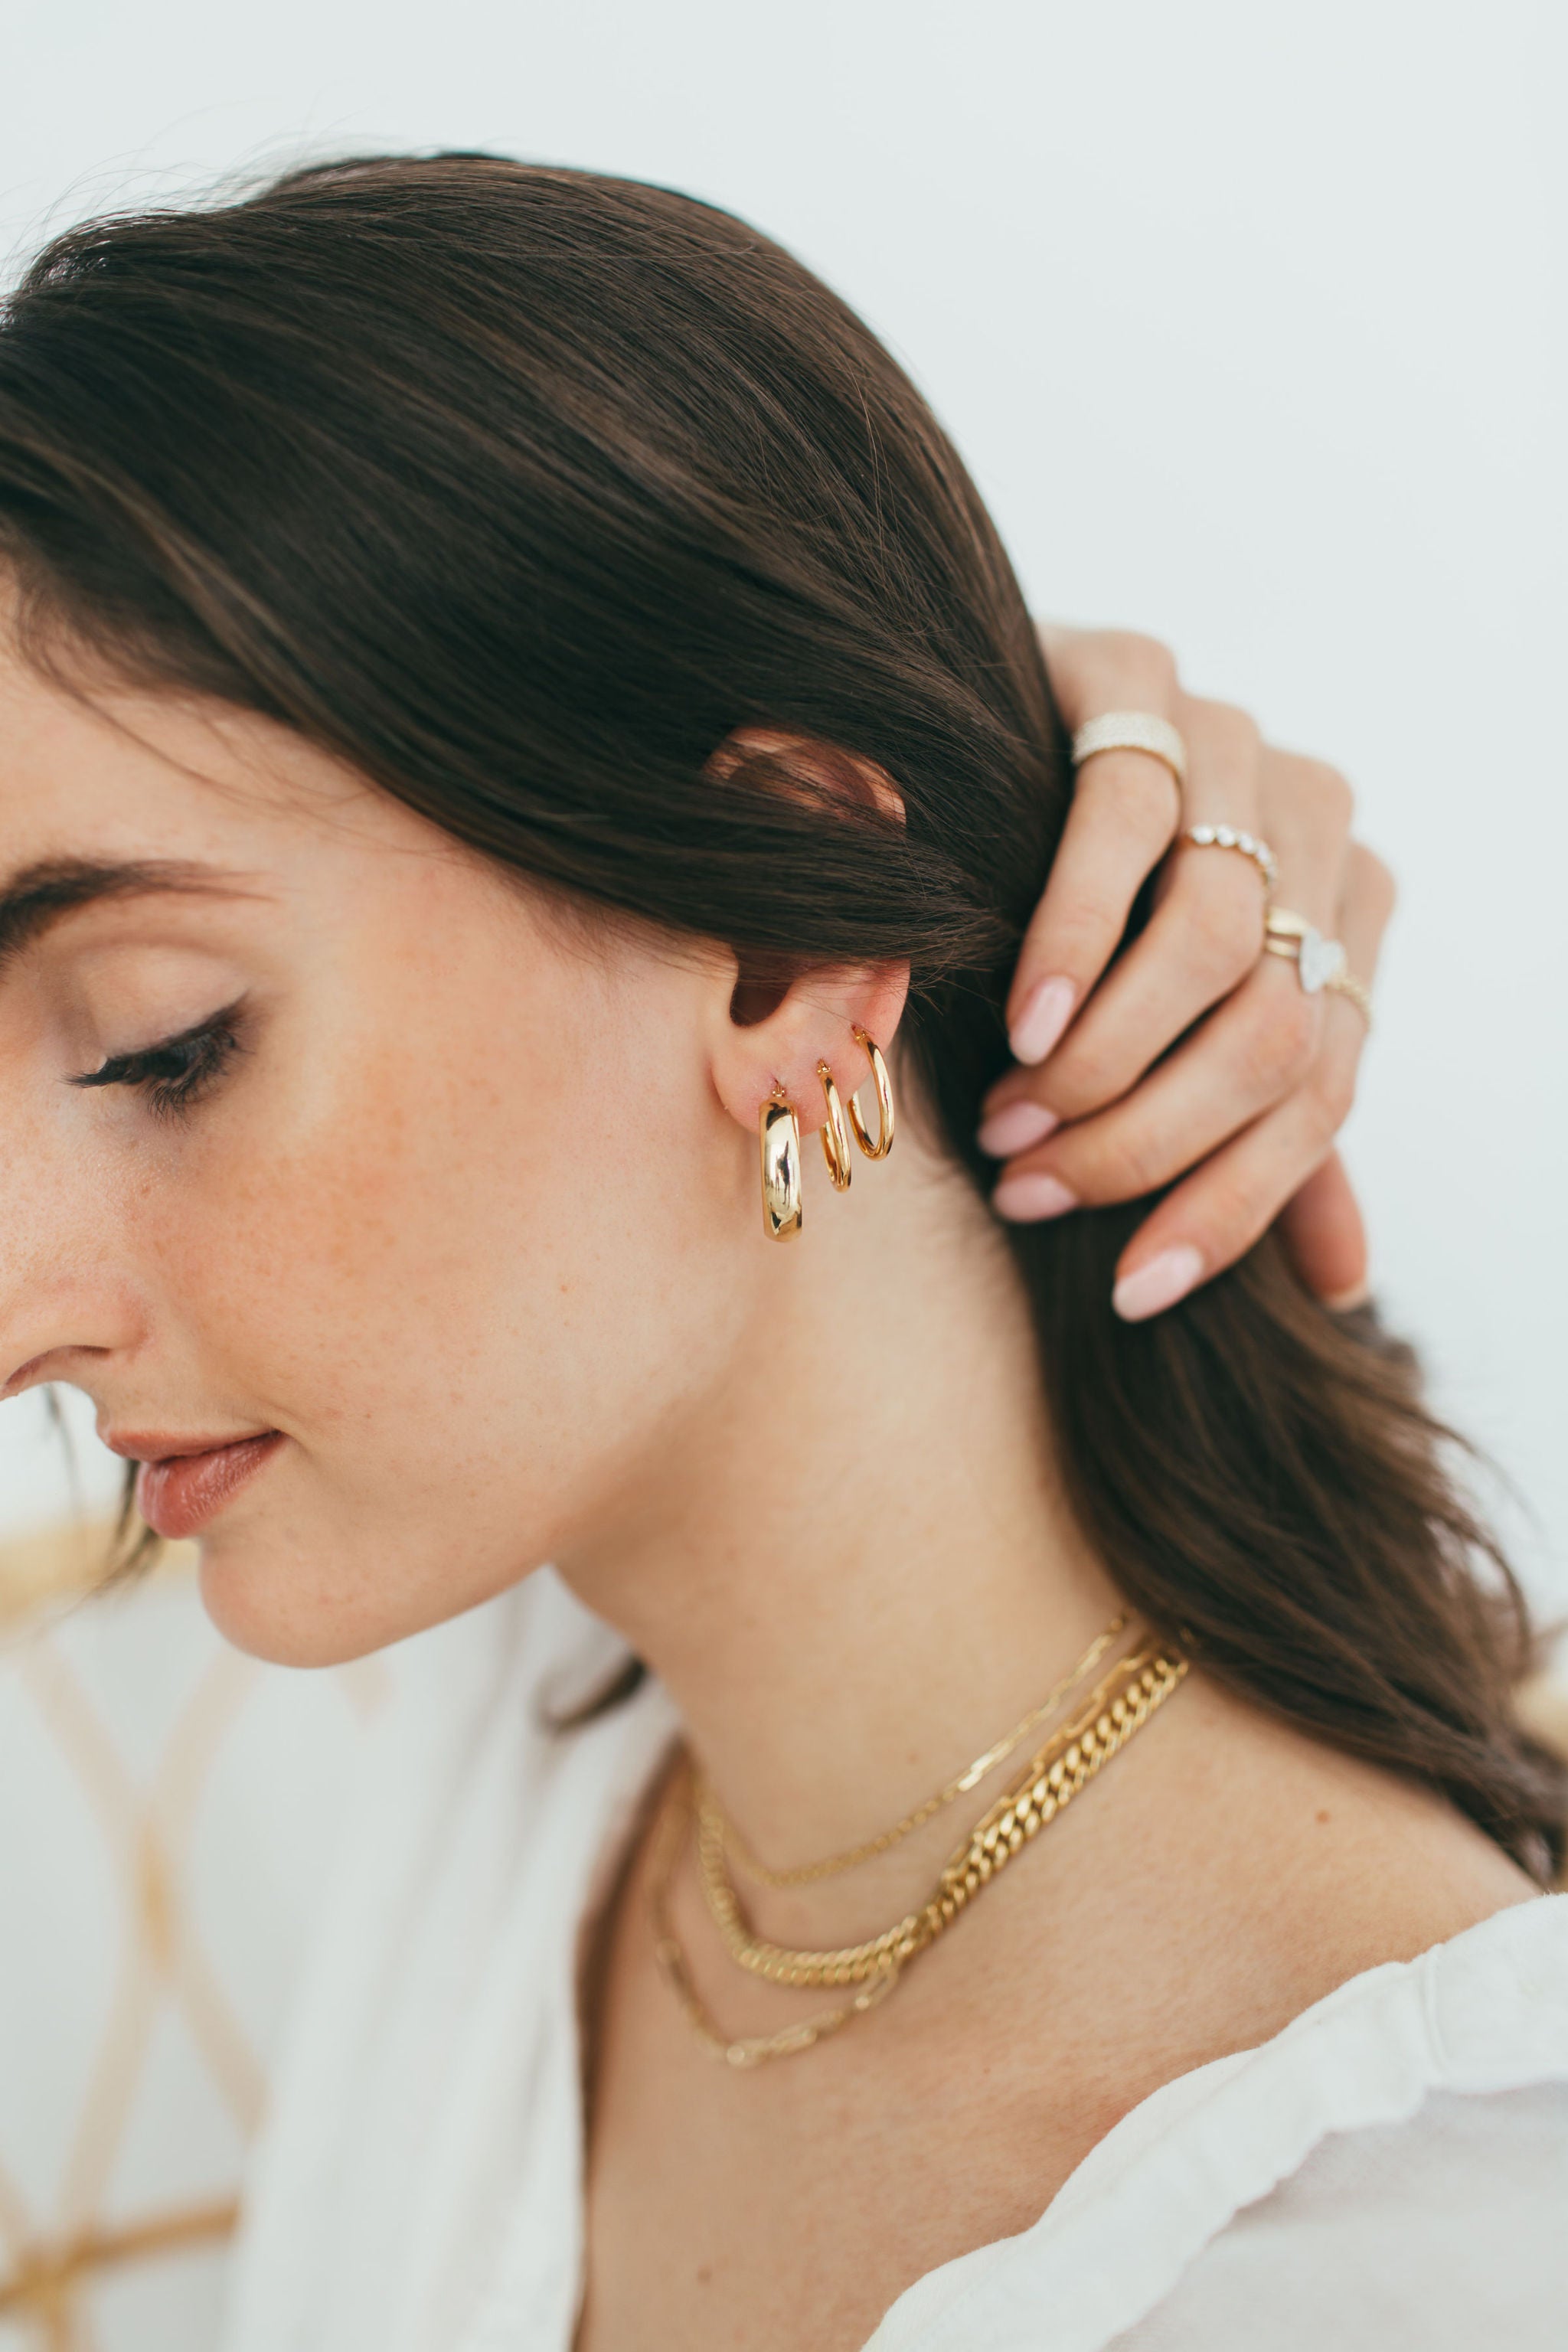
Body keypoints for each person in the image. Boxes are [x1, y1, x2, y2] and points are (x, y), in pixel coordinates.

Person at [0, 155, 1562, 2352]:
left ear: (780, 941)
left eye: (167, 1048)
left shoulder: (1418, 2253)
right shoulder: (482, 1729)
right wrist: (1039, 739)